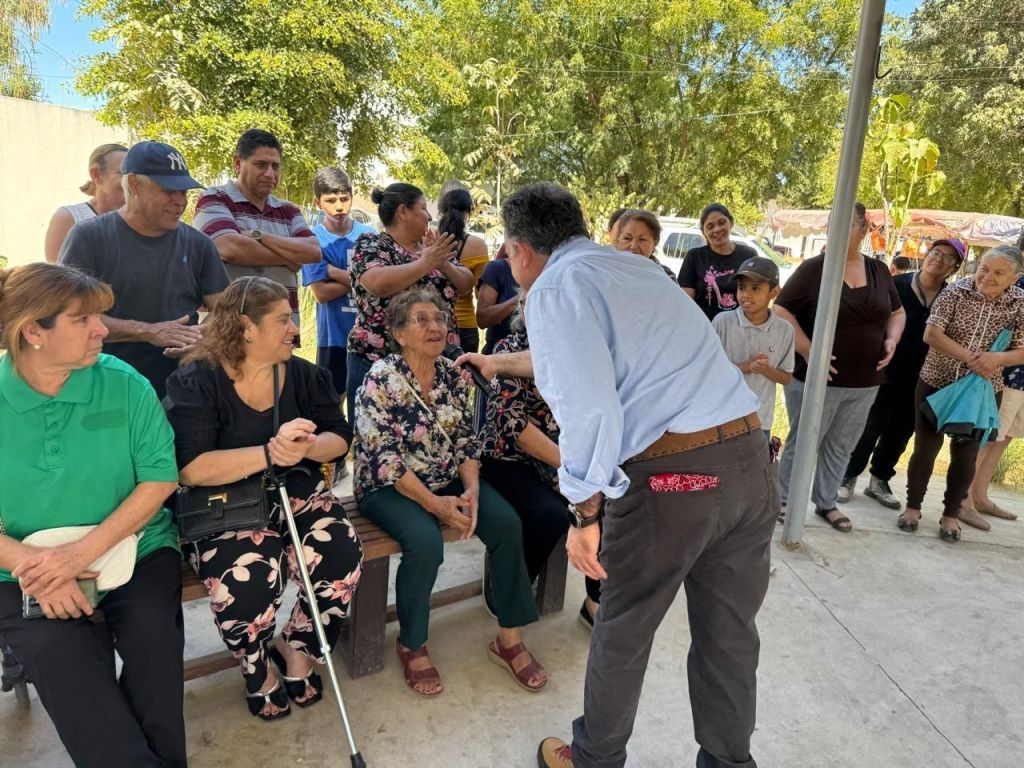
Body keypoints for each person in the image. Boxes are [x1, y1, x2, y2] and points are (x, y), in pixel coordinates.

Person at [491, 184, 771, 768]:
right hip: (748, 461)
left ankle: (593, 758)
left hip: (677, 481)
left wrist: (584, 514)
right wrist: (498, 361)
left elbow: (589, 408)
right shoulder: (635, 269)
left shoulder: (555, 287)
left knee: (623, 628)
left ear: (520, 250)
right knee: (730, 635)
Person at [0, 263, 186, 767]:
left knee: (153, 643)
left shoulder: (124, 383)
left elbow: (159, 479)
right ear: (33, 332)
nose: (102, 329)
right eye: (82, 320)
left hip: (137, 546)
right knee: (61, 655)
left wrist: (76, 556)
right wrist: (41, 569)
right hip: (20, 568)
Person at [163, 276, 362, 720]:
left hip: (296, 492)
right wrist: (269, 453)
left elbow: (340, 438)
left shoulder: (305, 376)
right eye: (283, 320)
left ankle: (297, 645)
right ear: (246, 327)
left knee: (341, 555)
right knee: (248, 580)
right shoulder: (197, 381)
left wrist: (307, 448)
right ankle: (256, 666)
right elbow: (190, 468)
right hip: (223, 505)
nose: (295, 328)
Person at [353, 287, 545, 698]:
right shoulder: (379, 379)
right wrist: (435, 505)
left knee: (507, 523)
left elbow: (465, 441)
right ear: (399, 334)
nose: (435, 326)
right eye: (421, 319)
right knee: (425, 542)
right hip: (389, 487)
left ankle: (509, 638)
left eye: (440, 318)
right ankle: (412, 643)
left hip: (447, 476)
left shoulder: (451, 374)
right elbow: (385, 459)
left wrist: (472, 488)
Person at [59, 140, 229, 399]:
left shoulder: (200, 244)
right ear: (134, 184)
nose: (180, 202)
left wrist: (200, 336)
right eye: (169, 191)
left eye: (184, 192)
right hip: (105, 388)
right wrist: (148, 331)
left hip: (183, 390)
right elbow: (69, 315)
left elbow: (225, 309)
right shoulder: (89, 236)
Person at [773, 203, 905, 533]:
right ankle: (784, 499)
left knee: (842, 445)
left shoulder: (878, 270)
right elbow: (782, 311)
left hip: (865, 381)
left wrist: (891, 340)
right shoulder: (814, 269)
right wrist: (809, 349)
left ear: (864, 229)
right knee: (804, 441)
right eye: (832, 225)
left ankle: (827, 502)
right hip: (816, 379)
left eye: (845, 226)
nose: (836, 232)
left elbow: (897, 312)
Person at [900, 245, 1024, 542]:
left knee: (966, 456)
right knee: (925, 448)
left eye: (998, 273)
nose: (988, 277)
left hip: (982, 391)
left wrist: (997, 359)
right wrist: (974, 359)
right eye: (984, 269)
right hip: (937, 382)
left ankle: (951, 515)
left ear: (1015, 277)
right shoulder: (956, 292)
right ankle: (913, 508)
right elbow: (932, 334)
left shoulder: (1020, 303)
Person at [839, 239, 966, 509]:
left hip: (923, 375)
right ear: (926, 255)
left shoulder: (952, 297)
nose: (939, 259)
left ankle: (880, 479)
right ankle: (847, 476)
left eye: (948, 258)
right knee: (868, 425)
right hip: (883, 368)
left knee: (900, 431)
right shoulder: (895, 284)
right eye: (936, 252)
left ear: (954, 268)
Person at [345, 182, 473, 418]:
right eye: (423, 209)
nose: (430, 216)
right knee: (375, 433)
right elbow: (376, 282)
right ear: (403, 212)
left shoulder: (431, 249)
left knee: (438, 432)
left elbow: (466, 283)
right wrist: (426, 263)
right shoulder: (372, 244)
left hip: (435, 364)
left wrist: (442, 263)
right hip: (378, 361)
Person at [193, 129, 321, 345]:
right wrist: (290, 257)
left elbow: (314, 252)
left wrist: (259, 237)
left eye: (275, 166)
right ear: (237, 163)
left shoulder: (289, 210)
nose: (270, 174)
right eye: (261, 165)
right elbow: (230, 247)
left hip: (282, 333)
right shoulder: (214, 199)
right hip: (230, 333)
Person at [480, 288, 570, 594]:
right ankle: (508, 588)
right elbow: (514, 426)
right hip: (507, 459)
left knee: (609, 503)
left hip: (561, 457)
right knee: (551, 514)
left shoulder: (578, 349)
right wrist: (569, 467)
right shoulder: (507, 349)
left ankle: (596, 600)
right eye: (529, 302)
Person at [300, 166, 376, 409]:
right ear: (318, 202)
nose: (340, 207)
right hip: (333, 338)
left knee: (367, 408)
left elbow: (378, 286)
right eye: (331, 200)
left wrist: (332, 272)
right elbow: (321, 294)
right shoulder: (312, 240)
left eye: (344, 199)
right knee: (329, 407)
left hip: (369, 337)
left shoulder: (370, 236)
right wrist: (360, 281)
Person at [961, 268, 1024, 528]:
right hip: (1008, 373)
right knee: (989, 436)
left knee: (1005, 436)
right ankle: (962, 499)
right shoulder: (1016, 282)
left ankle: (980, 495)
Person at [711, 256, 794, 435]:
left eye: (755, 288)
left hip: (759, 421)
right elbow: (710, 371)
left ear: (774, 292)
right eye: (742, 287)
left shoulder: (784, 330)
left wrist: (765, 369)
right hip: (722, 418)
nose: (746, 295)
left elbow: (786, 378)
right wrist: (747, 367)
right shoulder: (722, 322)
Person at [44, 143, 128, 263]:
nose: (131, 180)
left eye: (134, 173)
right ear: (96, 175)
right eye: (123, 173)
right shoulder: (69, 217)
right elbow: (56, 270)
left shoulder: (139, 219)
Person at [677, 202, 758, 321]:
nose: (717, 229)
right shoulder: (694, 257)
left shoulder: (748, 255)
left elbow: (756, 294)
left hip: (739, 326)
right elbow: (685, 301)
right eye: (710, 226)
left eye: (721, 222)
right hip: (704, 325)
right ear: (703, 232)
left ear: (731, 223)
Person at [438, 187, 490, 353]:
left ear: (441, 211)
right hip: (465, 326)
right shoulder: (477, 245)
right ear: (469, 212)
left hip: (432, 325)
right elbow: (481, 293)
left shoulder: (430, 240)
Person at [613, 209, 676, 278]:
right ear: (618, 240)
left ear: (655, 243)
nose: (633, 246)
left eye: (642, 239)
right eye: (627, 238)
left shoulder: (666, 276)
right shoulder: (607, 269)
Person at [477, 254, 519, 354]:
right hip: (498, 355)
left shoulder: (550, 270)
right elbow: (482, 319)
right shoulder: (497, 269)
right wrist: (518, 300)